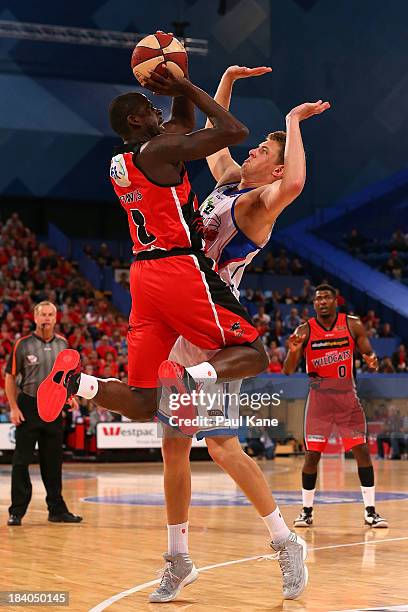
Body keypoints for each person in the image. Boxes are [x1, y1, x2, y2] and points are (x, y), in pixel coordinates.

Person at [151, 65, 330, 603]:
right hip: (181, 321)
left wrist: (293, 122)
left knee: (222, 444)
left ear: (272, 168)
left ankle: (285, 540)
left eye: (261, 152)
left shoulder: (259, 206)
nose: (250, 151)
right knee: (173, 447)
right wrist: (226, 80)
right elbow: (215, 138)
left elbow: (295, 182)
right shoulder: (230, 184)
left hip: (212, 327)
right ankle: (178, 558)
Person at [37, 66, 271, 432]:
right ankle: (190, 378)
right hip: (179, 268)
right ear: (135, 120)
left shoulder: (127, 159)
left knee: (144, 402)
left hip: (143, 277)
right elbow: (234, 131)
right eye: (150, 109)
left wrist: (178, 72)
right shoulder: (159, 150)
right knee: (254, 355)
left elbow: (181, 118)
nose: (158, 112)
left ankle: (77, 382)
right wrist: (188, 86)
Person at [283, 284, 388, 528]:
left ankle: (370, 511)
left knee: (361, 451)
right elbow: (288, 370)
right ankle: (306, 511)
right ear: (313, 304)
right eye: (317, 299)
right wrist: (293, 351)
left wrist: (372, 361)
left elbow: (370, 358)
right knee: (311, 456)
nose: (321, 302)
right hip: (319, 401)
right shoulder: (304, 330)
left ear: (335, 301)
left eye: (326, 298)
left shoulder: (352, 324)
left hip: (347, 399)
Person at [5, 301, 82, 526]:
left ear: (56, 318)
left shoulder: (63, 344)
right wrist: (13, 407)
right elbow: (10, 376)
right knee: (21, 461)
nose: (47, 318)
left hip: (54, 408)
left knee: (53, 462)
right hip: (28, 406)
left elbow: (67, 377)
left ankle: (57, 510)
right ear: (35, 318)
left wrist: (70, 395)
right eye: (43, 315)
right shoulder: (23, 344)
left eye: (50, 315)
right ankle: (17, 511)